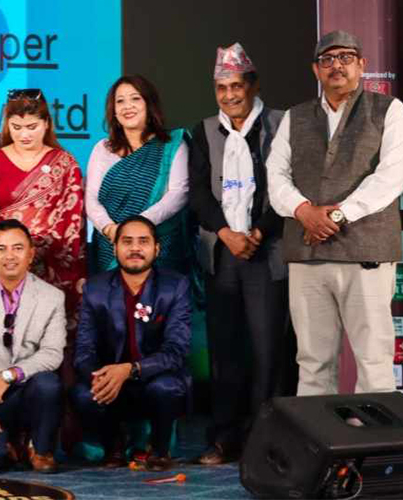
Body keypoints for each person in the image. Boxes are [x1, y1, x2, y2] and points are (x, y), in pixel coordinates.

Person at [267, 30, 403, 396]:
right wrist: (303, 211)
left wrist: (336, 217)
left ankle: (375, 437)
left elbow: (392, 175)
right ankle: (318, 437)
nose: (336, 65)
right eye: (327, 59)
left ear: (362, 64)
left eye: (345, 57)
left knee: (374, 363)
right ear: (316, 69)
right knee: (312, 364)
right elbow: (275, 175)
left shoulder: (389, 109)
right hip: (307, 255)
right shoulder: (295, 117)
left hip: (366, 254)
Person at [187, 43, 291, 465]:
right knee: (225, 350)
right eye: (221, 88)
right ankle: (224, 438)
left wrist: (259, 231)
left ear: (253, 85)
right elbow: (198, 193)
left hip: (267, 249)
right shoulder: (204, 130)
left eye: (236, 86)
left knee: (268, 352)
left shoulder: (281, 124)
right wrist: (227, 233)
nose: (229, 95)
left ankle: (265, 442)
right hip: (223, 251)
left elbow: (287, 186)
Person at [0, 88, 86, 448]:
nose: (24, 134)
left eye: (32, 126)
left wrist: (35, 250)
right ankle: (0, 428)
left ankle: (52, 436)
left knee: (50, 349)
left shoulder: (64, 162)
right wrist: (12, 250)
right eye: (17, 126)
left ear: (47, 124)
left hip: (52, 270)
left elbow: (72, 217)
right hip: (4, 267)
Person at [71, 216, 191, 472]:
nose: (135, 248)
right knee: (83, 394)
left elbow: (176, 351)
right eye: (127, 242)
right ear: (115, 248)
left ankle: (159, 449)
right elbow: (84, 350)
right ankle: (113, 445)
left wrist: (131, 369)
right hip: (111, 384)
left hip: (154, 379)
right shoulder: (96, 288)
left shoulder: (175, 286)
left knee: (167, 387)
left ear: (156, 249)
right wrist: (101, 377)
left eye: (143, 242)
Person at [0, 219, 65, 474]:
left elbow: (52, 354)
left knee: (48, 383)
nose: (9, 256)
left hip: (30, 394)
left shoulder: (52, 297)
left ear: (31, 254)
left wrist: (10, 375)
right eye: (1, 249)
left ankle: (40, 448)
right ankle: (10, 446)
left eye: (18, 248)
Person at [85, 75, 190, 273]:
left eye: (135, 98)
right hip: (110, 245)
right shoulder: (103, 149)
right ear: (114, 111)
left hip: (161, 246)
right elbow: (91, 197)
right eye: (120, 101)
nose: (127, 106)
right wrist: (109, 228)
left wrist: (136, 228)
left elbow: (179, 193)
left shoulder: (172, 145)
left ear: (149, 105)